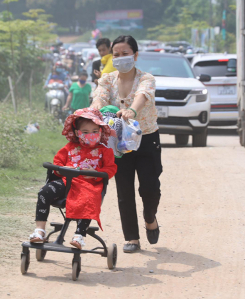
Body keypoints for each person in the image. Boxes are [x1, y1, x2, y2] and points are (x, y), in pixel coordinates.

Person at [91, 35, 162, 253]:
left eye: (125, 54)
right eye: (117, 55)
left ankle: (150, 218)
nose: (121, 58)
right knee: (124, 190)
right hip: (119, 143)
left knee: (150, 188)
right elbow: (99, 98)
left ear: (135, 55)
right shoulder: (107, 79)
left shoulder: (146, 78)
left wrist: (131, 111)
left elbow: (142, 96)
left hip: (146, 138)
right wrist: (93, 111)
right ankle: (131, 237)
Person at [29, 108, 117, 250]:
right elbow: (57, 162)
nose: (91, 135)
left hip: (89, 185)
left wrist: (96, 172)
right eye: (86, 132)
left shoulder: (105, 151)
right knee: (44, 192)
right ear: (77, 133)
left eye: (95, 131)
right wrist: (61, 169)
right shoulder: (70, 148)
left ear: (101, 132)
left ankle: (79, 235)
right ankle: (40, 230)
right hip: (66, 183)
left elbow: (111, 169)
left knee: (89, 199)